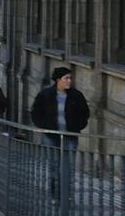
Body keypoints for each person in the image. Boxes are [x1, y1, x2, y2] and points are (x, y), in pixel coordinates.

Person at [30, 67, 90, 195]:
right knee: (54, 167)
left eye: (70, 78)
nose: (69, 81)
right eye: (66, 78)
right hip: (51, 136)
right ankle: (55, 194)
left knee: (68, 168)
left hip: (70, 136)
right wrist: (44, 126)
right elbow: (35, 112)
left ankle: (66, 195)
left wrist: (77, 126)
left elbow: (85, 113)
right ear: (58, 80)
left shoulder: (76, 95)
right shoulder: (45, 95)